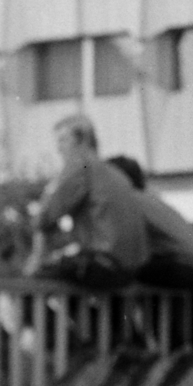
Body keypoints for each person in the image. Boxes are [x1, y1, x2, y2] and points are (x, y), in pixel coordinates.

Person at [28, 115, 149, 289]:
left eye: (63, 140)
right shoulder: (115, 173)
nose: (58, 148)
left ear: (82, 140)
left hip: (104, 262)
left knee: (33, 283)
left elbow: (46, 215)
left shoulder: (81, 165)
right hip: (130, 268)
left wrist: (48, 194)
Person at [106, 155, 193, 290]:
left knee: (123, 270)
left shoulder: (128, 202)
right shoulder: (150, 200)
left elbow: (126, 246)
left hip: (189, 268)